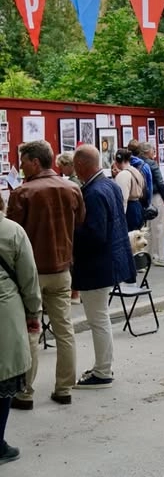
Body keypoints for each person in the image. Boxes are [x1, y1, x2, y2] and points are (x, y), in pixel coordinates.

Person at [7, 141, 85, 410]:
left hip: (31, 273)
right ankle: (64, 388)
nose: (20, 166)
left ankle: (25, 392)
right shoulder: (71, 188)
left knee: (31, 331)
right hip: (62, 269)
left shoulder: (23, 193)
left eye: (23, 161)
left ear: (35, 162)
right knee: (65, 330)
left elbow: (12, 234)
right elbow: (79, 221)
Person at [72, 144, 137, 389]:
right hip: (110, 260)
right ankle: (103, 367)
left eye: (75, 166)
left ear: (81, 165)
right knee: (101, 318)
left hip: (97, 264)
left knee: (98, 319)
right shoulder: (109, 185)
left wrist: (71, 231)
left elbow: (95, 234)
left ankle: (102, 371)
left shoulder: (94, 192)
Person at [0, 193, 41, 466]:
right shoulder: (12, 231)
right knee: (4, 379)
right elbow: (28, 277)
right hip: (5, 311)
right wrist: (33, 312)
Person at [113, 149, 146, 232]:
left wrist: (120, 218)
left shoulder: (123, 175)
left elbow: (122, 199)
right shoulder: (136, 171)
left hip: (129, 209)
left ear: (118, 160)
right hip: (138, 206)